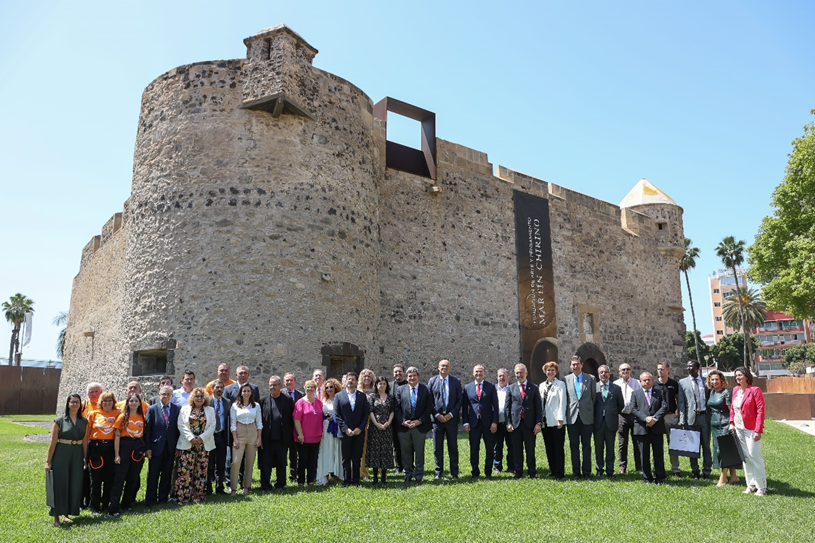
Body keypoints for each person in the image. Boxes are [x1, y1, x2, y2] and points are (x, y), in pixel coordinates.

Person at [45, 394, 88, 527]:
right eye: (72, 402)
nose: (74, 404)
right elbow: (52, 442)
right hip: (62, 453)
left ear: (80, 404)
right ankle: (56, 517)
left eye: (77, 402)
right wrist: (48, 461)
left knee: (74, 484)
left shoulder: (84, 421)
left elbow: (85, 441)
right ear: (68, 404)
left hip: (77, 454)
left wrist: (85, 458)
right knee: (60, 484)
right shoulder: (59, 421)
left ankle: (66, 515)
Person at [729, 367, 767, 496]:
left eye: (740, 375)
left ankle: (762, 487)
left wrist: (758, 430)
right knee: (745, 458)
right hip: (739, 428)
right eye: (736, 376)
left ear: (746, 376)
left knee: (754, 456)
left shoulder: (755, 390)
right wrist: (731, 423)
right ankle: (750, 484)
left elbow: (760, 411)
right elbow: (733, 409)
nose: (738, 377)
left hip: (751, 429)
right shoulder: (735, 390)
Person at [108, 393, 147, 516]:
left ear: (139, 403)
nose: (134, 403)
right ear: (127, 403)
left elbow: (143, 434)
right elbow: (117, 437)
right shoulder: (122, 417)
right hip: (124, 446)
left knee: (133, 478)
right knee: (119, 478)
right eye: (131, 401)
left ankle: (127, 504)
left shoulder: (142, 417)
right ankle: (114, 507)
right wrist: (117, 454)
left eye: (136, 401)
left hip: (137, 447)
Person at [175, 387, 215, 504]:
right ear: (193, 397)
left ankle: (198, 496)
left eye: (201, 396)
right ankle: (183, 497)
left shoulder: (210, 410)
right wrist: (191, 438)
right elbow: (181, 424)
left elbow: (212, 426)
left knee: (201, 471)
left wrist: (201, 438)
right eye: (197, 396)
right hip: (188, 444)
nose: (199, 398)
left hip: (203, 445)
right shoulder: (184, 409)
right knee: (185, 471)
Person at [394, 366, 433, 483]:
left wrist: (419, 420)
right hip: (404, 427)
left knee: (419, 452)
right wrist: (403, 421)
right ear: (407, 377)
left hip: (419, 426)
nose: (412, 378)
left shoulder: (425, 389)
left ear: (418, 377)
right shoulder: (400, 390)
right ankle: (407, 474)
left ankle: (419, 475)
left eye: (414, 376)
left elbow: (428, 407)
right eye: (410, 376)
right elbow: (397, 408)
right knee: (405, 452)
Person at [85, 391, 121, 515]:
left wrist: (117, 454)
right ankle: (95, 506)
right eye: (105, 400)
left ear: (113, 402)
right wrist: (85, 453)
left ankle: (106, 504)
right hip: (96, 448)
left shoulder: (118, 414)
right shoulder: (93, 414)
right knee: (95, 479)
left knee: (109, 478)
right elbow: (87, 435)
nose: (107, 403)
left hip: (110, 447)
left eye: (109, 400)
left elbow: (118, 433)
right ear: (101, 402)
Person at [144, 385, 180, 507]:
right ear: (159, 396)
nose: (165, 396)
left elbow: (178, 430)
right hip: (155, 448)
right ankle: (150, 500)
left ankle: (163, 498)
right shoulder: (152, 409)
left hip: (170, 447)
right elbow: (148, 430)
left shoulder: (177, 409)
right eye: (163, 394)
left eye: (168, 394)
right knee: (153, 475)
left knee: (167, 474)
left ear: (172, 396)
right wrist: (147, 448)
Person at [505, 363, 542, 479]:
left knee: (530, 449)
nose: (519, 375)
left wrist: (538, 423)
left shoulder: (534, 388)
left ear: (526, 373)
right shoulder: (511, 388)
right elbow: (507, 407)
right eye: (517, 373)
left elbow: (538, 407)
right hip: (515, 424)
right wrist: (508, 423)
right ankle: (519, 472)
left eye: (521, 372)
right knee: (517, 450)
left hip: (529, 424)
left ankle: (532, 472)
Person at [334, 372, 371, 486]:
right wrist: (345, 429)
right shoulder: (339, 396)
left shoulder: (362, 396)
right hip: (345, 433)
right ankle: (346, 480)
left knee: (356, 457)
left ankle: (356, 480)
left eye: (353, 379)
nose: (350, 381)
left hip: (358, 432)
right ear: (345, 382)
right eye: (349, 379)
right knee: (346, 458)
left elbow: (366, 414)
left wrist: (360, 428)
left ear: (356, 382)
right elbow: (337, 414)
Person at [630, 372, 667, 484]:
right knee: (644, 454)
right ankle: (647, 477)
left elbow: (664, 406)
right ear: (640, 382)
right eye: (644, 380)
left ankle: (659, 477)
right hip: (642, 428)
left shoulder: (659, 393)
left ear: (652, 380)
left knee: (658, 453)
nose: (646, 382)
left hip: (657, 427)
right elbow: (633, 409)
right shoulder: (635, 394)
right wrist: (646, 418)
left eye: (649, 380)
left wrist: (654, 419)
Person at [428, 359, 462, 480]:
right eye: (442, 366)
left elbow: (459, 400)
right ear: (438, 368)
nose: (444, 368)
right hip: (437, 420)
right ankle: (438, 471)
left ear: (450, 368)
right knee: (437, 447)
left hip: (451, 420)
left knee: (452, 446)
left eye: (446, 366)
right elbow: (429, 401)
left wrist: (450, 414)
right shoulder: (432, 381)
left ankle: (454, 472)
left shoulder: (456, 382)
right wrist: (437, 415)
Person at [462, 364, 498, 478]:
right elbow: (464, 407)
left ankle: (488, 472)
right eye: (476, 372)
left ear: (484, 373)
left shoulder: (490, 387)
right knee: (474, 449)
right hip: (473, 423)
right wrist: (466, 422)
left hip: (488, 423)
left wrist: (494, 422)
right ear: (473, 373)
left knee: (489, 448)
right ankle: (475, 471)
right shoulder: (467, 388)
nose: (478, 373)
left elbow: (495, 407)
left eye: (481, 371)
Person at [678, 360, 712, 480]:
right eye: (687, 366)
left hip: (704, 417)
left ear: (698, 367)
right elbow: (681, 403)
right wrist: (682, 420)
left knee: (706, 446)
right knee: (692, 447)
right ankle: (695, 471)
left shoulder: (706, 381)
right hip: (691, 418)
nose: (688, 368)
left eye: (691, 366)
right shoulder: (682, 382)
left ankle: (707, 471)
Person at [259, 376, 294, 490]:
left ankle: (280, 484)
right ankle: (265, 484)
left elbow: (291, 418)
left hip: (282, 438)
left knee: (281, 462)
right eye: (270, 385)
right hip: (267, 438)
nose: (272, 387)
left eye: (274, 385)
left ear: (280, 386)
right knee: (266, 463)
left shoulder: (288, 400)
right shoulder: (263, 401)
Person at [564, 355, 596, 480]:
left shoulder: (591, 379)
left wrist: (587, 409)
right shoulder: (565, 380)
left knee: (586, 445)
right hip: (572, 416)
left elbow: (593, 398)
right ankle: (576, 472)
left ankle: (587, 472)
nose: (575, 366)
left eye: (577, 364)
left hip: (586, 416)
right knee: (574, 445)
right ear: (570, 366)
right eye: (573, 364)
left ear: (582, 365)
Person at [229, 383, 262, 496]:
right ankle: (233, 488)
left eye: (248, 391)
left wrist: (259, 437)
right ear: (241, 393)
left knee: (250, 461)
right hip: (240, 432)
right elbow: (232, 423)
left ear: (251, 392)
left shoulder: (256, 406)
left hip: (252, 432)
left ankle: (246, 487)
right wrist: (235, 438)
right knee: (236, 461)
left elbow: (259, 423)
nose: (246, 393)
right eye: (244, 391)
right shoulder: (235, 406)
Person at [706, 369, 737, 487]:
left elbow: (731, 410)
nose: (714, 381)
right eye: (712, 379)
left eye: (717, 379)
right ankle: (733, 476)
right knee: (718, 449)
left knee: (723, 450)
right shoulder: (712, 392)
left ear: (722, 380)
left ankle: (723, 477)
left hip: (725, 424)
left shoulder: (727, 393)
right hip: (714, 424)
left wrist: (732, 423)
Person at [594, 365, 624, 478]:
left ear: (609, 374)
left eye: (605, 372)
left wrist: (612, 413)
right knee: (598, 447)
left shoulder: (616, 388)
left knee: (610, 448)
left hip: (611, 422)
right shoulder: (594, 387)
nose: (603, 374)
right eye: (601, 372)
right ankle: (599, 469)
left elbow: (620, 404)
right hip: (597, 422)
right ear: (598, 374)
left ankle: (610, 470)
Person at [293, 380, 324, 487]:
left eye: (312, 387)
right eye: (308, 387)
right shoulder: (300, 402)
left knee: (313, 459)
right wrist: (300, 434)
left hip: (316, 436)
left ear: (315, 389)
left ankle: (311, 480)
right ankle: (301, 481)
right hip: (303, 437)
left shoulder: (319, 402)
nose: (310, 389)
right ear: (304, 388)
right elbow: (296, 419)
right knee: (302, 459)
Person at [539, 361, 566, 479]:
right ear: (545, 371)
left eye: (552, 370)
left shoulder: (560, 384)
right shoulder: (541, 386)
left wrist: (561, 419)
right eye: (548, 370)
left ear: (556, 372)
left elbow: (562, 402)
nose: (550, 372)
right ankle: (552, 470)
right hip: (545, 421)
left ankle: (559, 472)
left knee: (558, 447)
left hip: (556, 420)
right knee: (549, 446)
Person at [366, 376, 395, 485]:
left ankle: (384, 476)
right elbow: (371, 411)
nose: (381, 386)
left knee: (385, 450)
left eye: (383, 383)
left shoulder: (390, 397)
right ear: (376, 385)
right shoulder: (373, 397)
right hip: (375, 427)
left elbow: (392, 411)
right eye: (380, 384)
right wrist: (376, 424)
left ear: (386, 385)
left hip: (387, 426)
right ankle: (375, 478)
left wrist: (388, 422)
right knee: (375, 450)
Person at [614, 363, 642, 474]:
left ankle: (639, 466)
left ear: (631, 371)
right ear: (619, 372)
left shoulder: (637, 383)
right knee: (622, 443)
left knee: (637, 442)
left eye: (628, 369)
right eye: (623, 369)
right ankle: (622, 467)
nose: (626, 371)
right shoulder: (615, 384)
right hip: (622, 416)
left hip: (635, 416)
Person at [654, 362, 681, 476]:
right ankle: (658, 468)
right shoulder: (653, 383)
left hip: (671, 417)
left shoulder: (674, 384)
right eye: (658, 369)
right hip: (658, 417)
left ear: (668, 370)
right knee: (656, 444)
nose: (660, 371)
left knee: (673, 444)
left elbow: (679, 400)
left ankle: (675, 469)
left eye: (662, 369)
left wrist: (678, 412)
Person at [316, 378, 343, 485]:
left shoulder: (340, 399)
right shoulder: (323, 401)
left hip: (336, 428)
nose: (329, 389)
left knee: (336, 451)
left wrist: (335, 418)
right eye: (326, 387)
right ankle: (325, 475)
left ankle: (337, 476)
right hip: (325, 428)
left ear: (335, 387)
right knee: (326, 451)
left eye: (331, 387)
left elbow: (343, 413)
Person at [81, 382, 103, 509]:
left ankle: (93, 500)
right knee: (83, 474)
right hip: (83, 443)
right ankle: (81, 501)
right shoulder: (83, 406)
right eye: (91, 392)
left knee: (95, 475)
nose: (94, 394)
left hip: (98, 445)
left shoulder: (105, 406)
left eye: (96, 392)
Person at [207, 380, 232, 495]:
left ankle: (219, 487)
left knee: (221, 462)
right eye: (217, 387)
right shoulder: (207, 402)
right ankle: (208, 488)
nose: (219, 389)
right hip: (210, 436)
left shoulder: (227, 402)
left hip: (222, 435)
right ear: (212, 389)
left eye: (221, 387)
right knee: (209, 462)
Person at [493, 367, 515, 475]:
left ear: (508, 377)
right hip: (497, 423)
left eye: (504, 376)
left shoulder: (512, 389)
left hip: (509, 423)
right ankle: (497, 467)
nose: (502, 378)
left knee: (511, 446)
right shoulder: (493, 390)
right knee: (497, 446)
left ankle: (511, 467)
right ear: (497, 377)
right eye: (500, 376)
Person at [357, 368, 376, 480]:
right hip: (362, 422)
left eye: (369, 376)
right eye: (364, 376)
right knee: (363, 448)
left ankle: (376, 470)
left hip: (374, 422)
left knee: (373, 447)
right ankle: (363, 473)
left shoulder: (375, 390)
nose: (367, 378)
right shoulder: (358, 391)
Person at [284, 372, 303, 481]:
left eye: (291, 380)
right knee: (283, 453)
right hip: (285, 428)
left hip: (296, 428)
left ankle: (293, 474)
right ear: (284, 382)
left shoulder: (300, 395)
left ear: (295, 382)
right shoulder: (280, 393)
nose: (289, 382)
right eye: (287, 380)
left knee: (294, 453)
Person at [389, 364, 407, 474]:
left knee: (407, 445)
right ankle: (398, 466)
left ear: (403, 373)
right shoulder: (390, 386)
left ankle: (408, 466)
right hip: (393, 420)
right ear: (393, 373)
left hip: (405, 420)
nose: (398, 374)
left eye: (400, 371)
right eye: (395, 372)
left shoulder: (408, 385)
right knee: (396, 445)